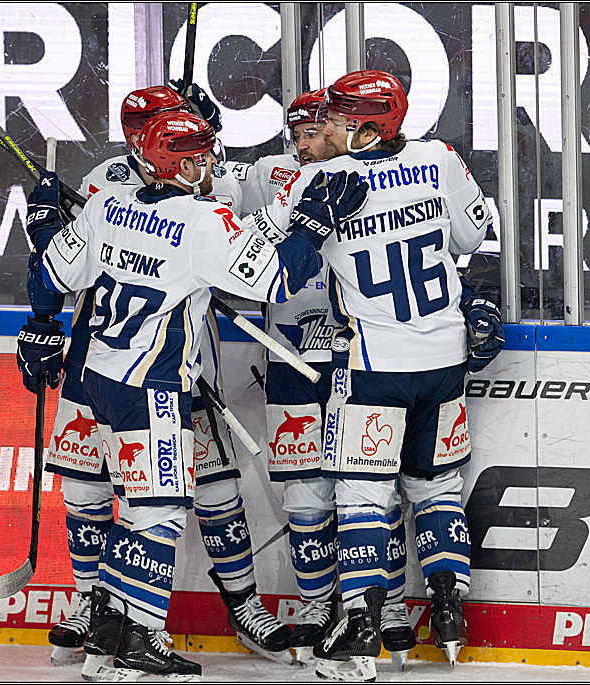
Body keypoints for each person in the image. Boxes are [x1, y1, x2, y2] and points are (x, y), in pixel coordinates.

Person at [20, 109, 367, 681]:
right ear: (181, 166)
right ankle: (140, 642)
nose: (212, 163)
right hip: (152, 386)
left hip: (100, 381)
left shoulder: (107, 206)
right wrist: (315, 222)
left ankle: (109, 629)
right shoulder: (201, 222)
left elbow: (48, 280)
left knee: (136, 510)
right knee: (157, 517)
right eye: (202, 155)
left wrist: (44, 232)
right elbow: (277, 277)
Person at [252, 69, 504, 681]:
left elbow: (263, 275)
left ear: (365, 127)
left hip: (373, 367)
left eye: (336, 120)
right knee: (435, 489)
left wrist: (311, 227)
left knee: (361, 496)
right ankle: (447, 612)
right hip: (445, 360)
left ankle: (361, 634)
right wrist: (483, 300)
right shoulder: (439, 157)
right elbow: (481, 236)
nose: (325, 129)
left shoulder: (320, 179)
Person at [230, 89, 416, 668]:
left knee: (372, 494)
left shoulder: (371, 177)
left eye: (314, 132)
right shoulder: (269, 174)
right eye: (297, 134)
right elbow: (212, 209)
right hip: (287, 352)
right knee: (306, 496)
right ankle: (316, 605)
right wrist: (200, 125)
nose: (303, 144)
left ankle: (382, 607)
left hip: (354, 353)